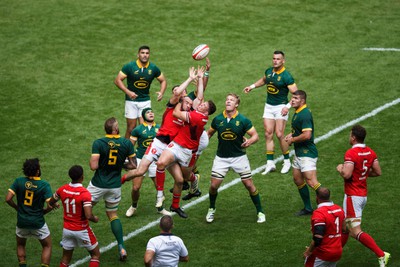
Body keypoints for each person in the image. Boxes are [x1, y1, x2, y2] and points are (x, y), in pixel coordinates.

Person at [121, 67, 198, 214]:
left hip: (171, 148)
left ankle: (173, 206)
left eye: (183, 91)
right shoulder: (172, 107)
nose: (182, 92)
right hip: (159, 143)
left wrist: (201, 78)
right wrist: (188, 79)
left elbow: (199, 96)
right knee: (140, 171)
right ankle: (121, 180)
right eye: (180, 91)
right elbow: (176, 93)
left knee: (180, 180)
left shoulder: (187, 112)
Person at [155, 67, 216, 219]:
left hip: (188, 151)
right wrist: (200, 78)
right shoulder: (198, 111)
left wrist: (181, 99)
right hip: (176, 145)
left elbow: (176, 113)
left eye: (204, 106)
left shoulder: (199, 117)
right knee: (161, 163)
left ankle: (176, 204)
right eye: (201, 104)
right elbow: (200, 96)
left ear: (206, 112)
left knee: (183, 179)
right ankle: (160, 196)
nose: (201, 104)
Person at [205, 93, 266, 224]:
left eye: (231, 100)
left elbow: (255, 135)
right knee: (214, 186)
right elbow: (208, 134)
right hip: (221, 158)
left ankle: (260, 211)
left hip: (239, 157)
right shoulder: (217, 119)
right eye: (227, 99)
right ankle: (211, 208)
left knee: (249, 185)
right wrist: (199, 144)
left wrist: (250, 141)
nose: (228, 101)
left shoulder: (243, 120)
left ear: (236, 104)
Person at [336, 125, 390, 267]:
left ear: (353, 137)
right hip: (362, 195)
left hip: (352, 196)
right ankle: (333, 256)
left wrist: (340, 168)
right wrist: (362, 174)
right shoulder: (370, 152)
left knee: (355, 231)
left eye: (350, 135)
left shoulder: (351, 154)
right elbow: (377, 172)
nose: (349, 137)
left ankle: (381, 254)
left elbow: (347, 174)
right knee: (344, 227)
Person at [88, 117, 136, 261]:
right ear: (116, 129)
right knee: (113, 215)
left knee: (82, 209)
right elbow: (133, 165)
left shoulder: (99, 143)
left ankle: (72, 240)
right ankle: (121, 247)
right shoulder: (126, 143)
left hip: (97, 185)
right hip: (114, 186)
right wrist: (120, 164)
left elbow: (93, 166)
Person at [244, 50, 298, 175]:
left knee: (279, 134)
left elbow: (296, 94)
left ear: (283, 61)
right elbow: (264, 80)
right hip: (268, 106)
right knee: (268, 133)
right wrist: (251, 87)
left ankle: (287, 161)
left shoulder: (286, 76)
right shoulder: (269, 71)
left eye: (278, 59)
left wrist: (288, 106)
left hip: (280, 107)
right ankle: (270, 163)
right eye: (274, 58)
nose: (275, 61)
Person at [5, 158, 56, 267]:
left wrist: (17, 208)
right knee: (47, 246)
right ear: (37, 171)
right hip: (38, 223)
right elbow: (50, 205)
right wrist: (45, 211)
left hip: (22, 222)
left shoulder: (18, 181)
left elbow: (8, 198)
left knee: (20, 244)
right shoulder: (44, 185)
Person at [48, 165, 100, 267]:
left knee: (65, 259)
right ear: (82, 177)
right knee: (95, 255)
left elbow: (51, 201)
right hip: (82, 230)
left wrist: (54, 204)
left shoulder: (62, 189)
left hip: (67, 230)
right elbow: (88, 215)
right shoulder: (85, 193)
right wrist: (95, 219)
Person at [125, 107, 171, 217]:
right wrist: (128, 160)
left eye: (152, 111)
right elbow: (130, 146)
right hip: (141, 159)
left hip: (155, 160)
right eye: (148, 112)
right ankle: (134, 206)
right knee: (136, 188)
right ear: (143, 116)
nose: (151, 113)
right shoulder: (138, 130)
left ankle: (160, 207)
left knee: (159, 186)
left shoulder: (160, 128)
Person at [114, 45, 167, 138]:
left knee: (144, 129)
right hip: (131, 101)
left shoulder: (153, 68)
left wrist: (161, 92)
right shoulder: (130, 66)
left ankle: (142, 151)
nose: (145, 55)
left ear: (149, 55)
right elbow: (117, 80)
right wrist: (128, 92)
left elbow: (163, 80)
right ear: (138, 54)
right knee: (131, 128)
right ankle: (126, 150)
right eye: (142, 53)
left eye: (147, 53)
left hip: (145, 101)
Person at [284, 90, 321, 216]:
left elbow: (307, 135)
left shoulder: (304, 114)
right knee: (298, 179)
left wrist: (292, 139)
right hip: (299, 153)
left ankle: (327, 203)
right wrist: (292, 135)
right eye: (292, 98)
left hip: (307, 154)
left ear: (302, 101)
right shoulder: (297, 112)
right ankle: (308, 208)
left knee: (311, 182)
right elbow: (300, 131)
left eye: (295, 98)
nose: (292, 100)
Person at [303, 187, 345, 267]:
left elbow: (318, 237)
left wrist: (309, 251)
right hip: (337, 251)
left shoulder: (319, 213)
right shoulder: (339, 209)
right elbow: (344, 229)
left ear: (317, 198)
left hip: (323, 252)